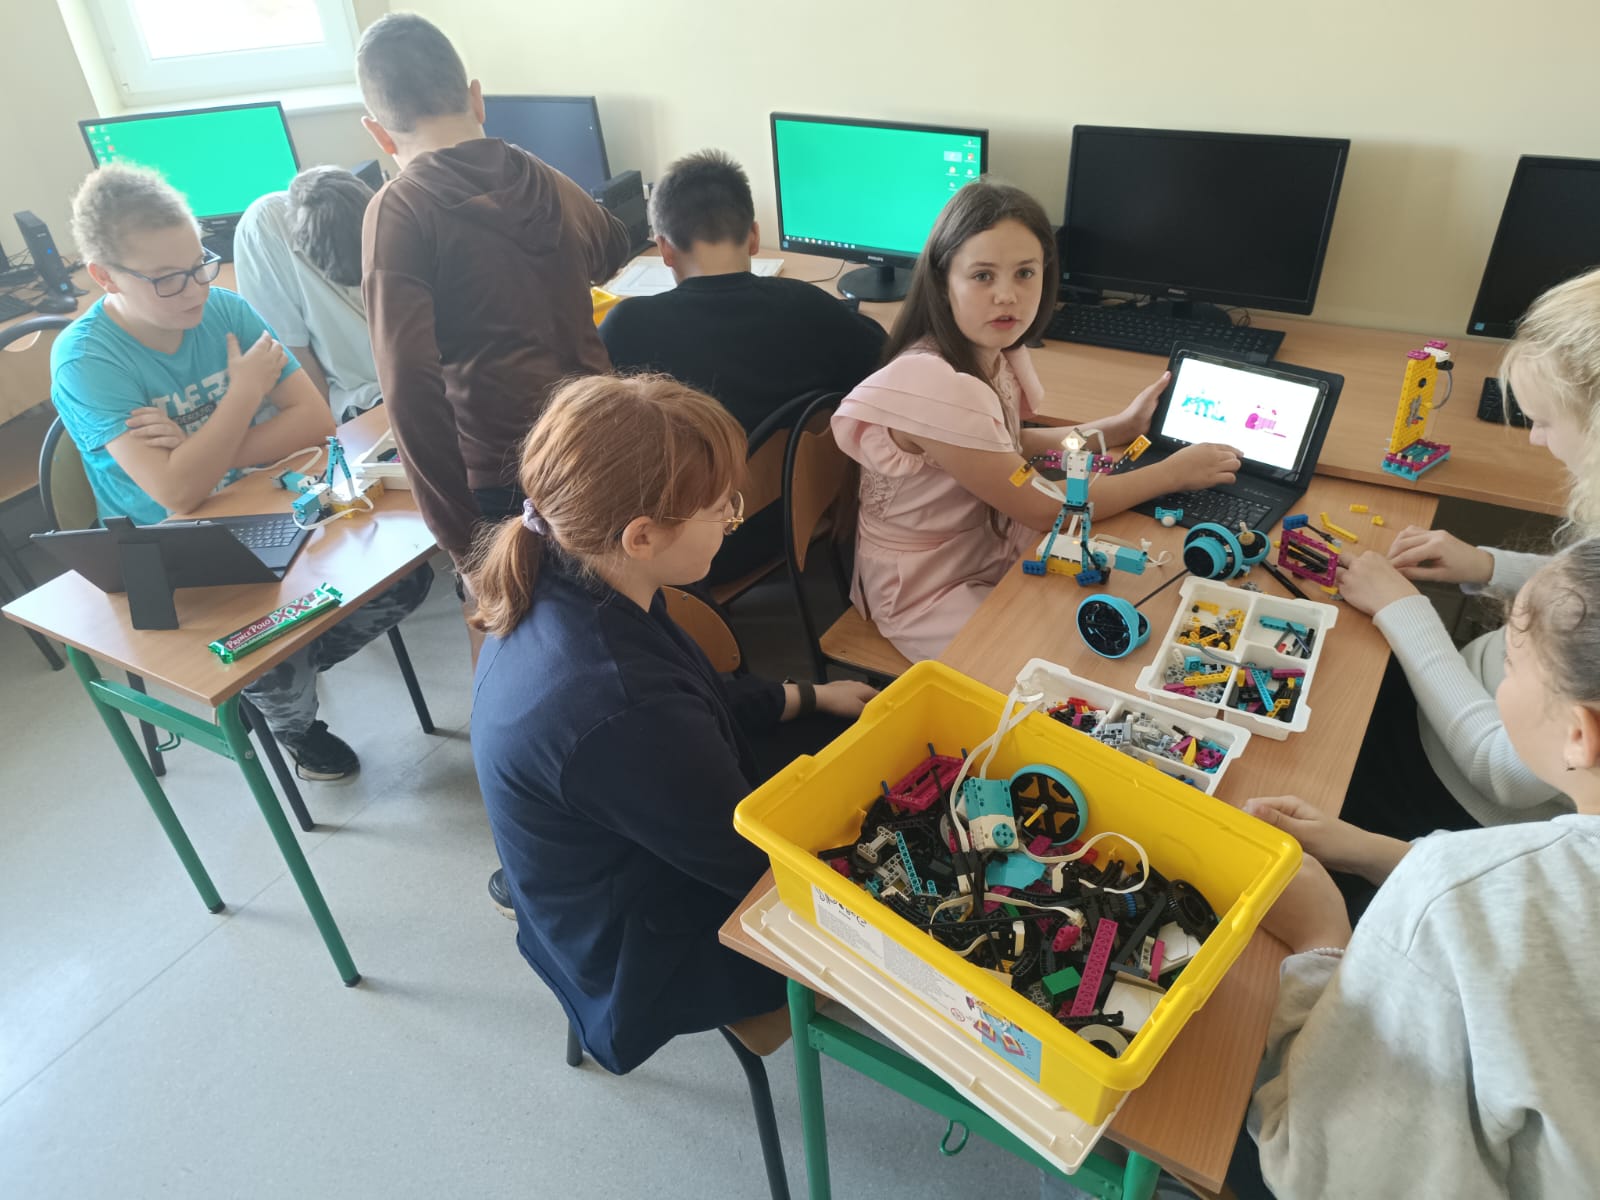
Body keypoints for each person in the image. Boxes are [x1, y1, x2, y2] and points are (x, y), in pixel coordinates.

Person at [469, 373, 875, 1072]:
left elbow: (698, 696)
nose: (734, 518)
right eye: (721, 508)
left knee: (852, 743)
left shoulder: (579, 576)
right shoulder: (618, 706)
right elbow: (754, 867)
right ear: (642, 536)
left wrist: (807, 698)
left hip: (640, 848)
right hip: (647, 958)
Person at [1227, 538, 1600, 1197]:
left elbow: (1315, 1166)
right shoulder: (1467, 884)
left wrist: (1320, 941)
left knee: (1206, 1089)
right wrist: (1369, 850)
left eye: (1511, 664)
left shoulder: (1450, 897)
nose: (1500, 678)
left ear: (1580, 733)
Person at [51, 164, 432, 781]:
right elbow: (177, 492)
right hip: (175, 552)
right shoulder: (85, 359)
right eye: (167, 279)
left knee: (405, 578)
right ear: (104, 276)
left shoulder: (224, 308)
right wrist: (243, 395)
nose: (193, 290)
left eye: (199, 264)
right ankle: (294, 722)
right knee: (272, 653)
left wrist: (195, 448)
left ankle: (276, 681)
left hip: (267, 509)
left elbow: (312, 420)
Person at [831, 180, 1243, 661]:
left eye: (1025, 273)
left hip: (983, 542)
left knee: (1125, 598)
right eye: (983, 276)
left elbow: (1007, 446)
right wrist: (1172, 474)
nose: (1007, 295)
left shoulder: (990, 352)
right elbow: (1043, 507)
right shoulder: (937, 384)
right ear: (943, 282)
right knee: (1061, 661)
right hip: (926, 586)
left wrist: (1118, 427)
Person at [356, 11, 634, 573]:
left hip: (508, 475)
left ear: (379, 133)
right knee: (617, 595)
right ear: (476, 99)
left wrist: (463, 540)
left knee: (527, 618)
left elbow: (409, 386)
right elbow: (613, 247)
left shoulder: (399, 210)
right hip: (598, 437)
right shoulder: (539, 174)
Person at [1332, 266, 1600, 847]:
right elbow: (1588, 589)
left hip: (1464, 793)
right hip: (1469, 695)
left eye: (1544, 421)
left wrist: (1404, 609)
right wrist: (1487, 566)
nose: (1536, 438)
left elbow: (1500, 769)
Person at [600, 149, 886, 585]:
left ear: (664, 249)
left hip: (689, 549)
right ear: (753, 237)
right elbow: (886, 363)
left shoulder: (627, 327)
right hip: (799, 514)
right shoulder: (808, 306)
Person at [233, 166, 382, 422]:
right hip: (358, 401)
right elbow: (291, 354)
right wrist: (331, 430)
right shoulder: (265, 230)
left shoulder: (379, 217)